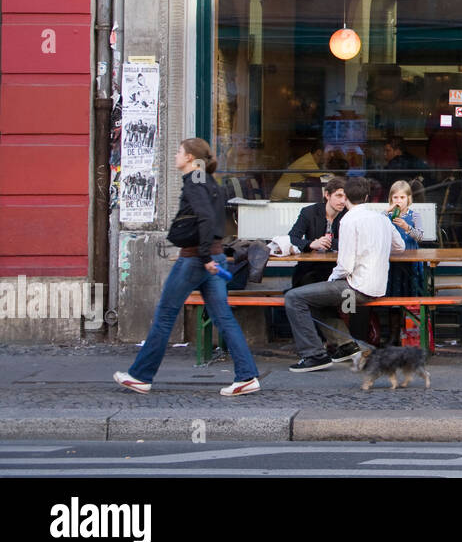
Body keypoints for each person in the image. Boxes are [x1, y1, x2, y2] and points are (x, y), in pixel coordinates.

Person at [115, 138, 261, 396]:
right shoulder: (209, 181)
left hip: (195, 259)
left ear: (191, 159)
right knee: (223, 318)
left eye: (179, 151)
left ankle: (140, 376)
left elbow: (205, 217)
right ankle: (247, 376)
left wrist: (203, 256)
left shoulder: (194, 180)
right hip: (212, 258)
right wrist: (210, 257)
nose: (176, 155)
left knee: (165, 315)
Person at [283, 177, 402, 372]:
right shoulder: (381, 218)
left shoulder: (348, 219)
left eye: (342, 196)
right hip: (378, 286)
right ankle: (346, 345)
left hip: (355, 288)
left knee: (293, 297)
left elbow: (345, 266)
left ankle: (314, 355)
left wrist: (331, 280)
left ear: (347, 198)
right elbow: (400, 245)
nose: (340, 200)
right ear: (366, 197)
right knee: (309, 296)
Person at [383, 179, 424, 345]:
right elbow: (377, 230)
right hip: (393, 262)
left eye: (402, 197)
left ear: (409, 198)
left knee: (410, 295)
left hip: (411, 260)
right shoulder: (386, 215)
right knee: (393, 298)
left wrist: (407, 227)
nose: (398, 201)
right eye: (395, 197)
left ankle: (410, 334)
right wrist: (387, 214)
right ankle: (393, 335)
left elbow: (420, 236)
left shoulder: (414, 215)